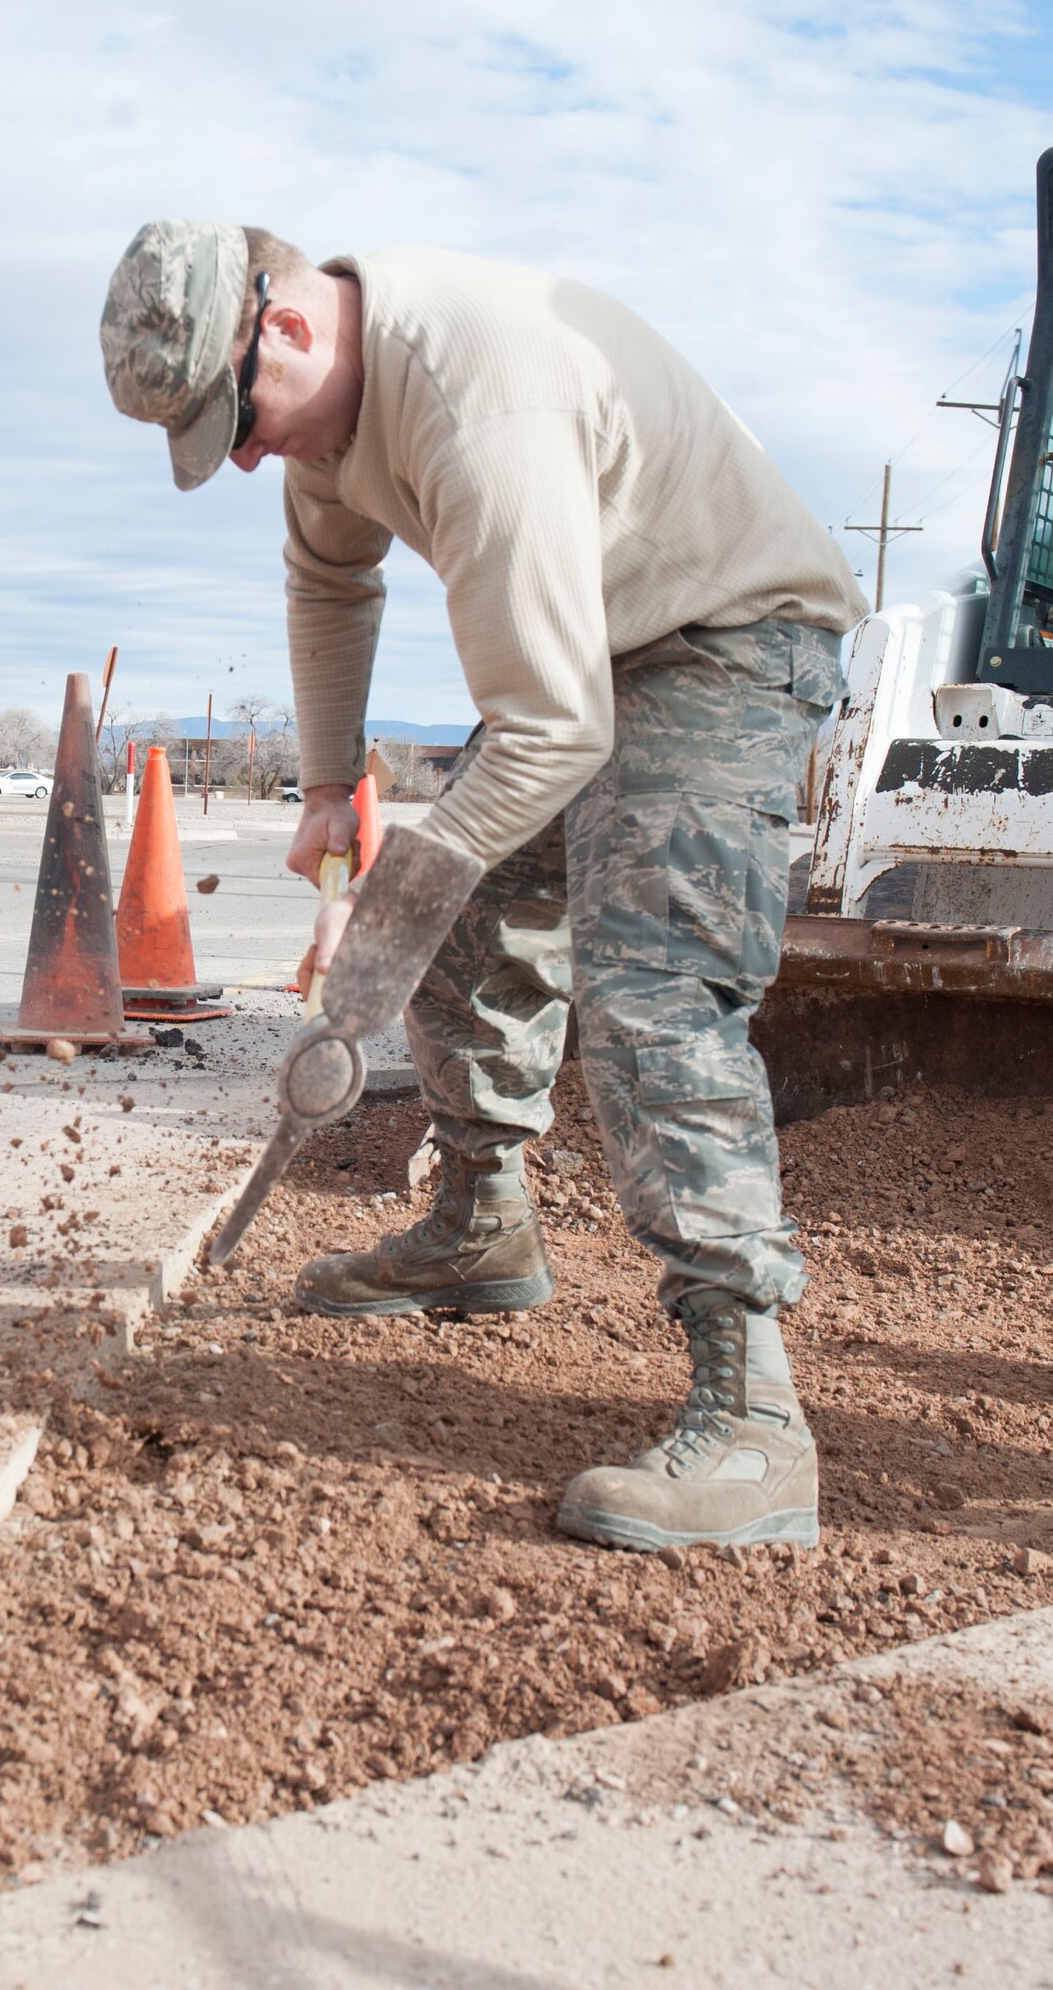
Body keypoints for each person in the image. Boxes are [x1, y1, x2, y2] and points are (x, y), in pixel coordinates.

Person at [101, 220, 868, 1554]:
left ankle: (753, 1416)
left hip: (721, 639)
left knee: (648, 980)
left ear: (285, 324)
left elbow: (554, 729)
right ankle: (479, 1226)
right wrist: (336, 788)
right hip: (592, 653)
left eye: (239, 419)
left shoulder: (474, 399)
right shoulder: (322, 423)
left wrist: (393, 904)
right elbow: (325, 581)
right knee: (449, 899)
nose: (242, 457)